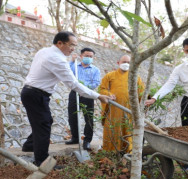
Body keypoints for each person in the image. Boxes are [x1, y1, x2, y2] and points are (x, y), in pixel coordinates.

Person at [21, 31, 112, 167]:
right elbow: (73, 84)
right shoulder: (57, 59)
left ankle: (29, 145)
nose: (73, 49)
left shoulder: (44, 51)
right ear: (60, 43)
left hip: (30, 92)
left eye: (75, 46)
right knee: (43, 125)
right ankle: (42, 162)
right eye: (71, 45)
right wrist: (98, 96)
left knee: (45, 122)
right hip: (36, 94)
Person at [99, 55, 145, 153]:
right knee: (112, 129)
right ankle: (110, 152)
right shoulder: (109, 76)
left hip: (129, 109)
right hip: (113, 108)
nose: (126, 64)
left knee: (127, 129)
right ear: (118, 63)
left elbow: (142, 92)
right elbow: (102, 89)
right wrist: (109, 94)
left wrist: (146, 101)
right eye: (124, 62)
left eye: (128, 62)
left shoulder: (135, 77)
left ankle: (128, 151)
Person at [65, 48, 101, 151]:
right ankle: (75, 138)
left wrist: (83, 89)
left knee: (88, 118)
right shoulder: (74, 66)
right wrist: (72, 60)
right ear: (81, 56)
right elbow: (66, 72)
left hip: (87, 95)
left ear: (93, 58)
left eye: (91, 56)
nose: (88, 58)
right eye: (86, 56)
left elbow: (95, 83)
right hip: (74, 93)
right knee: (72, 117)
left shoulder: (95, 70)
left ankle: (87, 141)